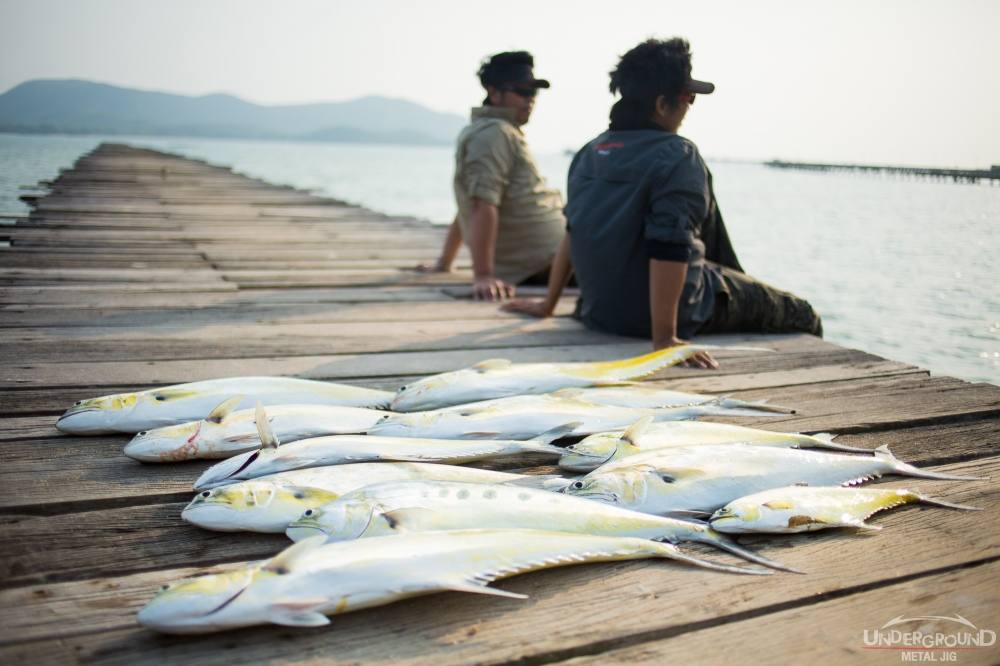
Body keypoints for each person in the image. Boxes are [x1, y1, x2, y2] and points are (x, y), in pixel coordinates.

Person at [505, 38, 822, 368]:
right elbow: (667, 246)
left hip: (599, 314)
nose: (689, 106)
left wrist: (548, 305)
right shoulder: (678, 154)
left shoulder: (590, 153)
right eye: (688, 97)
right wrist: (664, 340)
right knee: (803, 314)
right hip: (673, 313)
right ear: (660, 104)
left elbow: (573, 232)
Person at [420, 51, 566, 301]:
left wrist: (445, 262)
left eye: (533, 92)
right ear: (494, 92)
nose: (529, 100)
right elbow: (481, 204)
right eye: (521, 91)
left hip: (551, 256)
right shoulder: (493, 134)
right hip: (545, 262)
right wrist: (484, 275)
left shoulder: (495, 131)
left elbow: (467, 202)